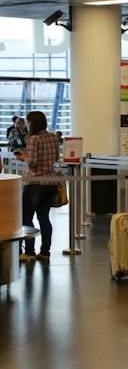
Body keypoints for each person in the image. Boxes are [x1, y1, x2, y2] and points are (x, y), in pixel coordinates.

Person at [14, 111, 59, 262]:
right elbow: (56, 158)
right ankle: (45, 251)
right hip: (51, 183)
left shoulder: (33, 139)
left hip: (35, 183)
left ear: (32, 123)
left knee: (26, 218)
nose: (26, 125)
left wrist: (23, 157)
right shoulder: (53, 137)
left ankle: (29, 252)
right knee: (44, 218)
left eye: (27, 122)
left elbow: (32, 162)